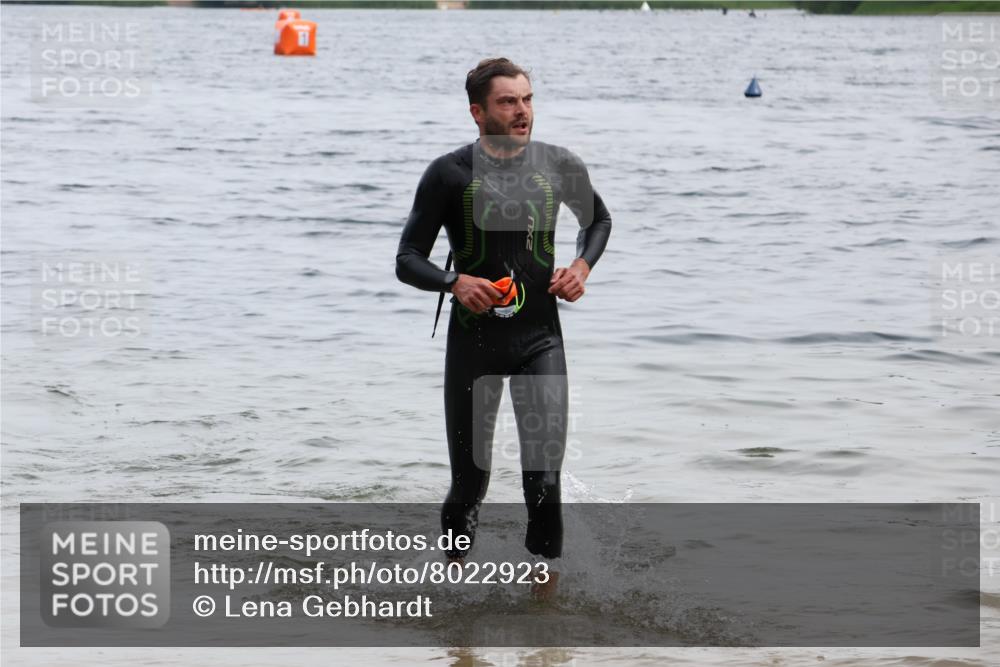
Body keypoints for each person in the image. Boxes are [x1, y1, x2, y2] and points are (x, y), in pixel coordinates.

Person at [395, 57, 612, 599]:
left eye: (528, 99)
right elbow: (406, 258)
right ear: (477, 111)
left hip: (540, 342)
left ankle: (545, 615)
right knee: (470, 485)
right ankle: (455, 604)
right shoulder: (449, 174)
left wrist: (582, 266)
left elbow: (598, 221)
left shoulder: (559, 165)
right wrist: (453, 282)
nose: (522, 112)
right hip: (474, 345)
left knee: (543, 482)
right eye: (508, 102)